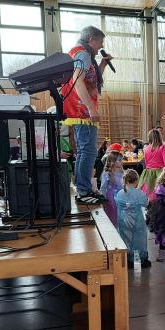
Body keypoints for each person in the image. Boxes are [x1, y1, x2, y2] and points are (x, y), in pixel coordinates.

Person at [61, 25, 113, 205]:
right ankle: (83, 191)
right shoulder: (83, 54)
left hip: (80, 109)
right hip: (81, 110)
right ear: (91, 39)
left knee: (86, 150)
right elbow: (78, 80)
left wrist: (103, 64)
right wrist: (91, 108)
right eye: (100, 42)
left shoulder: (81, 53)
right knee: (88, 151)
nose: (100, 46)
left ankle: (84, 188)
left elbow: (90, 80)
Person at [116, 170, 150, 269]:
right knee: (138, 241)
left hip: (124, 221)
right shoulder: (139, 193)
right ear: (136, 181)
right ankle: (138, 261)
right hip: (137, 221)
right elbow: (145, 203)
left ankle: (126, 259)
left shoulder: (120, 193)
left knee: (125, 239)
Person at [139, 129, 165, 200]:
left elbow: (146, 163)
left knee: (149, 195)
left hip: (148, 173)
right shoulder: (164, 147)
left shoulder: (146, 148)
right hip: (160, 173)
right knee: (161, 195)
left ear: (149, 137)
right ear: (160, 136)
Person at [99, 151, 124, 224]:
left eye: (121, 160)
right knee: (113, 217)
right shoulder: (107, 174)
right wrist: (102, 200)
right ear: (112, 162)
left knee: (120, 218)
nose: (121, 162)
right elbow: (103, 188)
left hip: (121, 198)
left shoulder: (121, 172)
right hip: (111, 199)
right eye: (119, 160)